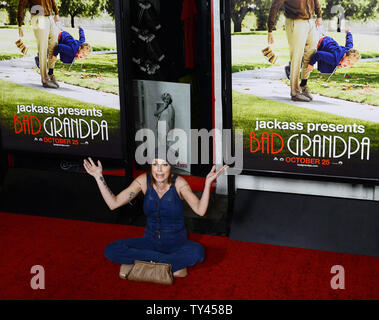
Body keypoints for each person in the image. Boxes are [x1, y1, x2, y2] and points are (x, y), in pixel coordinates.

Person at [83, 153, 228, 280]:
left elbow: (200, 210)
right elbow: (113, 203)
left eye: (164, 164)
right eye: (155, 164)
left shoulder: (179, 184)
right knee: (111, 250)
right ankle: (169, 265)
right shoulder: (142, 181)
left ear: (171, 166)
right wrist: (98, 177)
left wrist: (207, 184)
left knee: (197, 252)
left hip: (176, 243)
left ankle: (141, 263)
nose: (159, 169)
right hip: (150, 241)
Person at [268, 0, 322, 102]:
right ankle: (295, 92)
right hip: (296, 22)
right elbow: (275, 5)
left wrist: (319, 15)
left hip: (310, 21)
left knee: (311, 53)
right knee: (296, 57)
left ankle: (303, 85)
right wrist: (270, 30)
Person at [18, 0, 60, 89]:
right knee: (43, 48)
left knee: (54, 43)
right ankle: (44, 79)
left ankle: (50, 73)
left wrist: (56, 12)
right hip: (38, 17)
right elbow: (21, 4)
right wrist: (20, 25)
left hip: (49, 17)